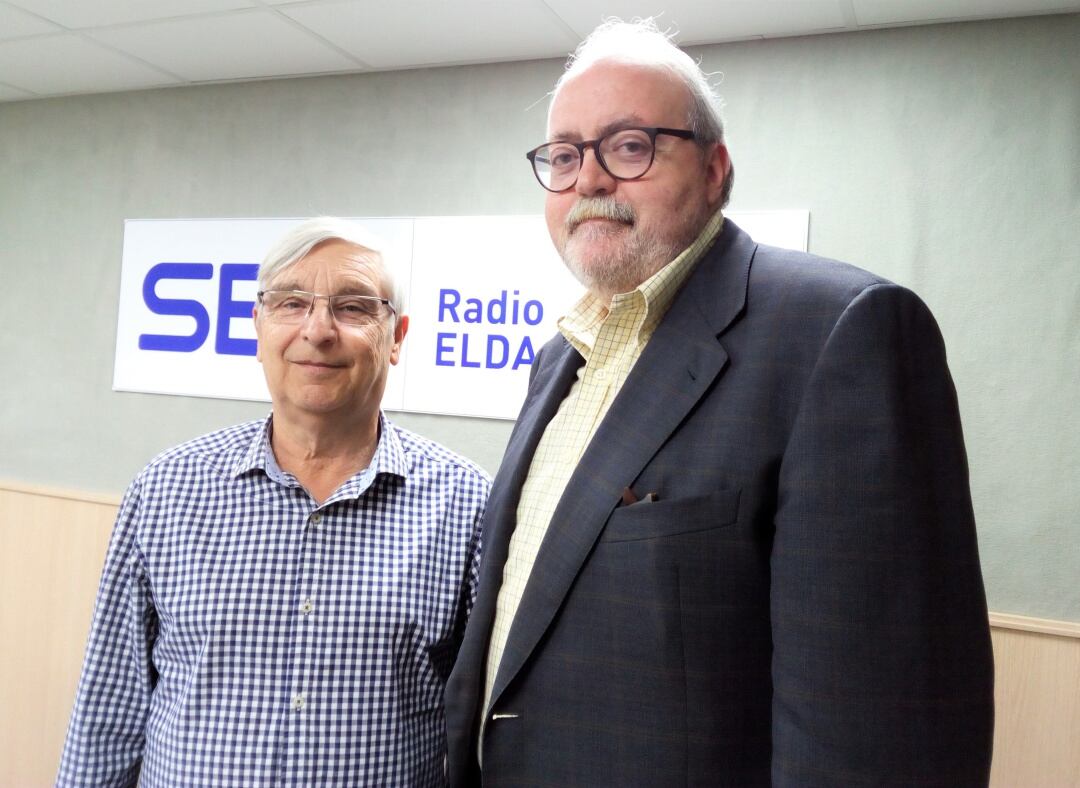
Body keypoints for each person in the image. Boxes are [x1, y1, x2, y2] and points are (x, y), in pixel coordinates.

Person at [444, 19, 994, 787]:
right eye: (564, 156)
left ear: (714, 167)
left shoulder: (840, 332)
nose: (590, 180)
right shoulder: (560, 360)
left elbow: (882, 725)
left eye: (629, 146)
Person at [58, 217, 490, 786]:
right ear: (257, 326)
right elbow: (108, 712)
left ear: (397, 338)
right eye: (291, 303)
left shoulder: (467, 504)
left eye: (354, 307)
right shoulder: (166, 488)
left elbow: (486, 730)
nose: (318, 330)